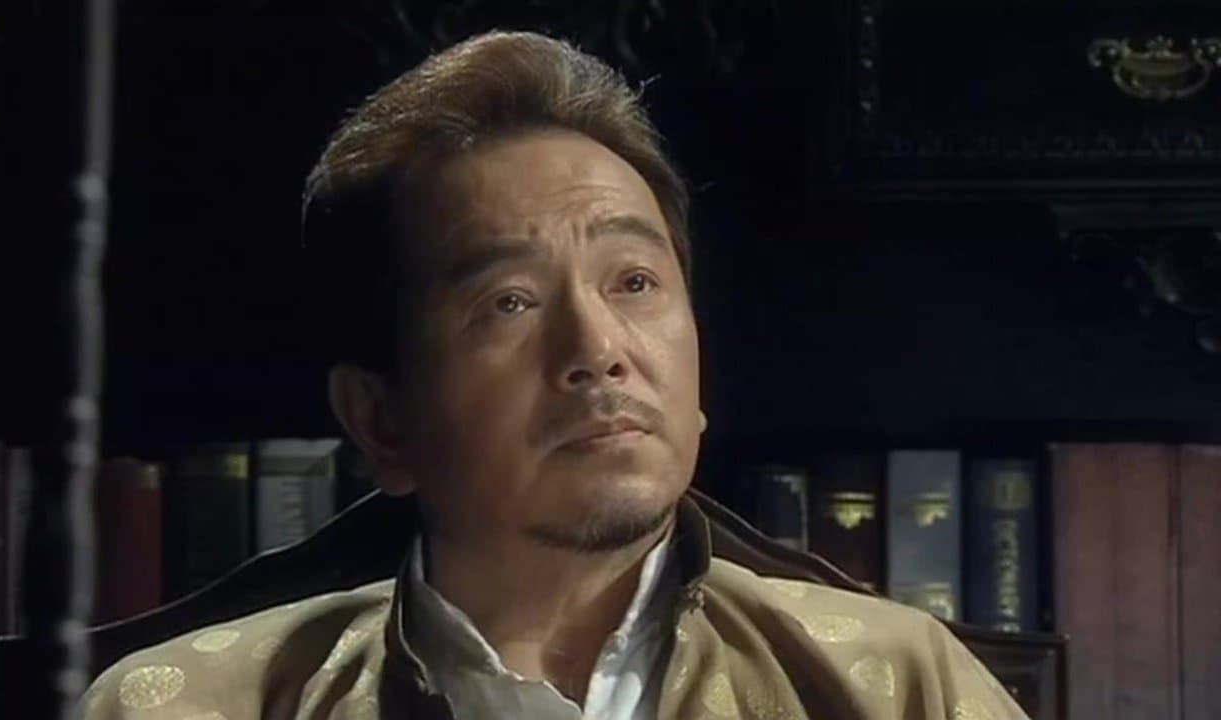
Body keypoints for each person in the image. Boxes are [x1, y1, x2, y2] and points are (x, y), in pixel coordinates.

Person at [81, 30, 1027, 720]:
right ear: (382, 420)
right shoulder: (189, 705)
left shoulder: (896, 687)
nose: (599, 347)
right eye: (510, 302)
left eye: (636, 282)